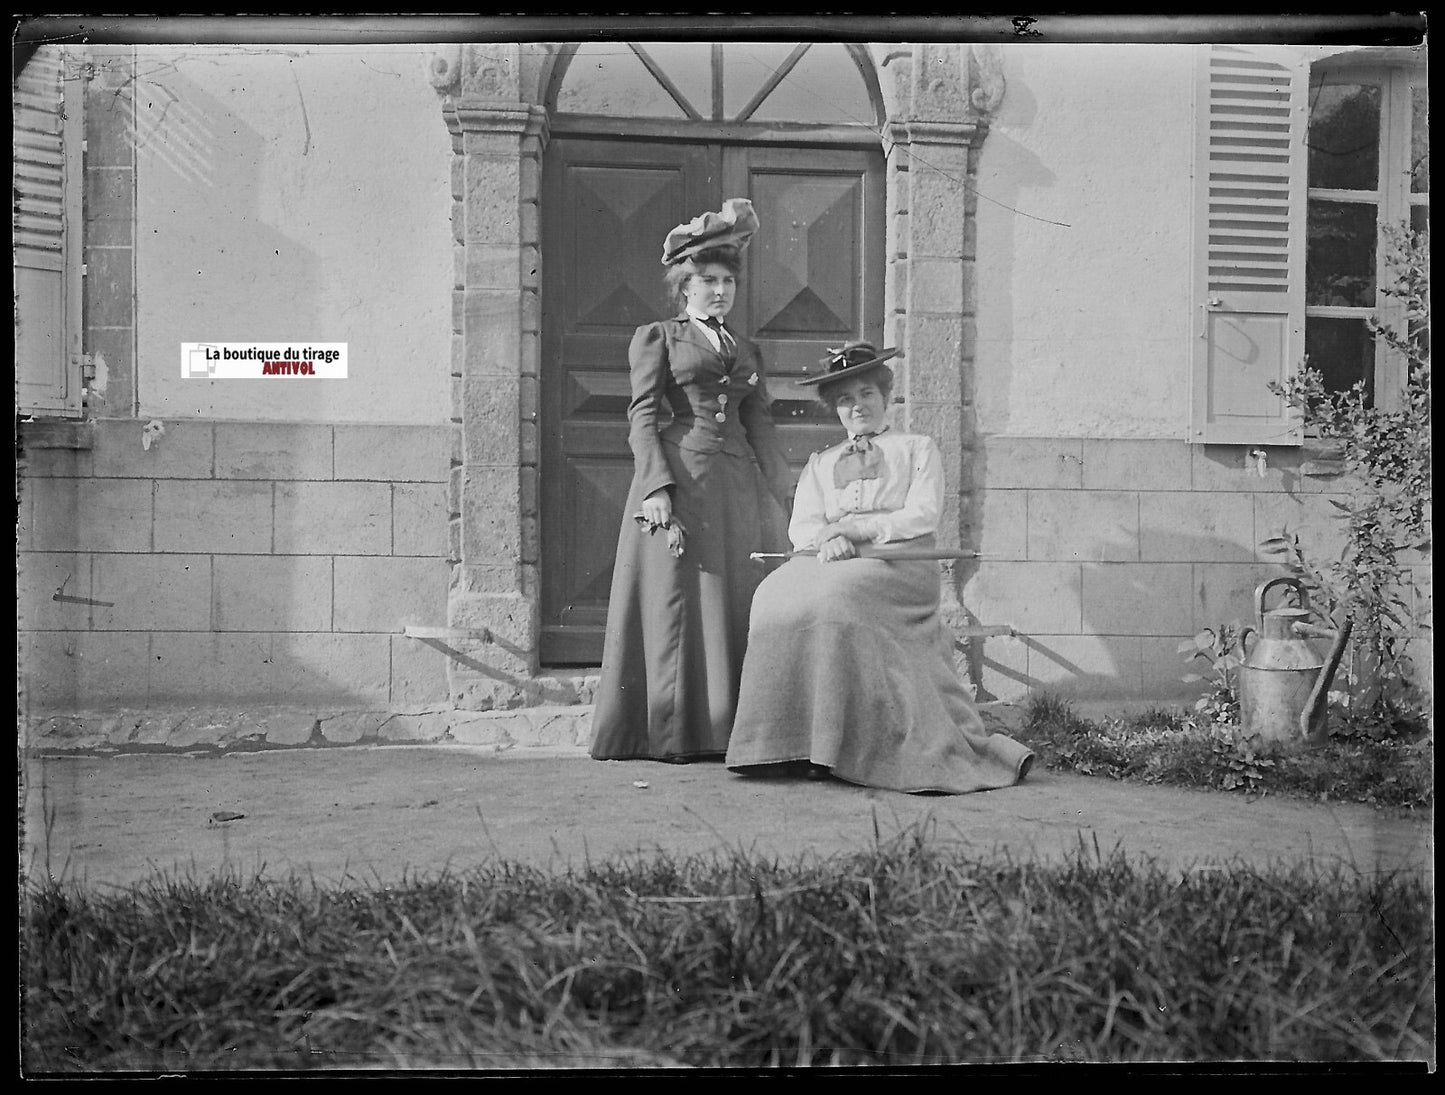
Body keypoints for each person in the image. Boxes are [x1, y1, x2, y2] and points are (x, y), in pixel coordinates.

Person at [724, 341, 1035, 794]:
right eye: (846, 400)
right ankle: (780, 744)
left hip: (901, 566)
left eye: (866, 394)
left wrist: (857, 530)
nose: (857, 407)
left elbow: (923, 515)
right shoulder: (822, 463)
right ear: (835, 409)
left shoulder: (916, 448)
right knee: (772, 592)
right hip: (838, 563)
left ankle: (839, 747)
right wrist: (828, 539)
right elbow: (803, 529)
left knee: (837, 597)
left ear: (885, 397)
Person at [590, 199, 795, 762]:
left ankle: (727, 730)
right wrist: (655, 488)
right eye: (708, 279)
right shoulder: (659, 337)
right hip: (678, 485)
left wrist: (793, 500)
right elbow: (642, 416)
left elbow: (762, 428)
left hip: (734, 493)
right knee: (678, 603)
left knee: (730, 601)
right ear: (684, 285)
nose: (721, 290)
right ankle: (671, 732)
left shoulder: (746, 348)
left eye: (728, 280)